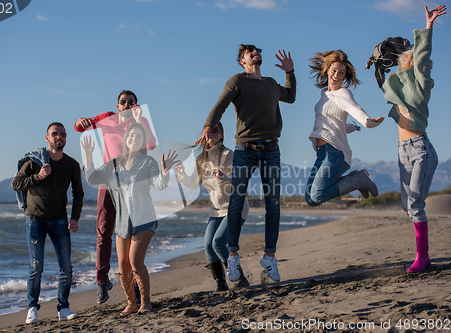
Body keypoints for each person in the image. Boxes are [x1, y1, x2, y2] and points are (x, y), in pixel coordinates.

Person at [196, 44, 296, 283]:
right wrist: (208, 125)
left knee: (273, 204)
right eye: (249, 52)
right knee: (236, 200)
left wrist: (290, 73)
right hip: (245, 149)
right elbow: (219, 105)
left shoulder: (271, 83)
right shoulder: (237, 81)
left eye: (256, 50)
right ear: (242, 61)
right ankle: (232, 256)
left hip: (272, 149)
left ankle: (269, 257)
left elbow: (290, 97)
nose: (255, 53)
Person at [375, 5, 446, 273]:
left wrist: (427, 28)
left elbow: (423, 54)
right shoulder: (401, 86)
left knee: (416, 204)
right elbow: (388, 89)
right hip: (403, 150)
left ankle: (423, 257)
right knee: (407, 205)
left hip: (421, 150)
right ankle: (423, 254)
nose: (420, 62)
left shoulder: (421, 82)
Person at [82, 123, 179, 316]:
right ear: (125, 139)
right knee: (123, 266)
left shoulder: (148, 162)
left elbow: (159, 185)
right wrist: (88, 156)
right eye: (131, 136)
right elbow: (92, 178)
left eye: (138, 137)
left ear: (143, 141)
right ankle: (131, 304)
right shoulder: (113, 163)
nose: (134, 139)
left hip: (144, 219)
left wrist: (166, 171)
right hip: (122, 221)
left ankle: (146, 302)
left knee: (135, 261)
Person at [74, 90, 156, 304]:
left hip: (131, 187)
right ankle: (102, 281)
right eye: (124, 102)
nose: (127, 104)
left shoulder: (141, 120)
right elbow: (78, 127)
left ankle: (137, 287)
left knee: (131, 234)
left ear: (136, 105)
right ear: (117, 105)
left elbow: (152, 145)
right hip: (108, 182)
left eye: (132, 102)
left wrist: (140, 121)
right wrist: (81, 121)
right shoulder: (106, 118)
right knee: (104, 231)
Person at [12, 122, 84, 324]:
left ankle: (63, 308)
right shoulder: (35, 161)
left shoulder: (72, 164)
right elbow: (16, 183)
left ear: (66, 138)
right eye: (54, 134)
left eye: (62, 134)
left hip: (60, 221)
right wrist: (38, 176)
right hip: (35, 220)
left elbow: (78, 193)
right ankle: (32, 308)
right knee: (36, 267)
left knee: (66, 267)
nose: (58, 137)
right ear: (47, 138)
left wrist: (75, 218)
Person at [175, 122, 250, 291]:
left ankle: (240, 278)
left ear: (222, 135)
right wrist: (181, 174)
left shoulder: (228, 154)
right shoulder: (202, 159)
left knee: (218, 243)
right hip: (217, 210)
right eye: (210, 130)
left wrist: (226, 176)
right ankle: (220, 284)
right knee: (208, 246)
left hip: (235, 207)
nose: (213, 133)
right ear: (204, 134)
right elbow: (194, 184)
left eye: (217, 130)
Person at [305, 50, 384, 207]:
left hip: (335, 153)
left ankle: (357, 180)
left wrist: (367, 121)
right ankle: (356, 179)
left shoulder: (343, 93)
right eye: (334, 70)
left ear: (345, 76)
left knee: (317, 196)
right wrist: (351, 127)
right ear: (327, 70)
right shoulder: (324, 94)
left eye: (341, 73)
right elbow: (335, 124)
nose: (336, 75)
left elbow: (355, 109)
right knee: (310, 198)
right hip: (322, 154)